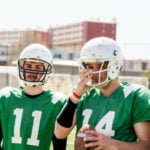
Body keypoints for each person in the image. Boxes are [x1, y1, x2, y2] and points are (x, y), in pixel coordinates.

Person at [55, 37, 150, 150]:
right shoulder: (84, 96)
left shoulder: (136, 95)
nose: (94, 72)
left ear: (114, 66)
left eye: (100, 66)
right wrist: (75, 96)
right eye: (90, 66)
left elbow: (146, 144)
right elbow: (59, 133)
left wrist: (112, 145)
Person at [0, 43, 67, 150]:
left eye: (38, 67)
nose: (33, 71)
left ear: (47, 70)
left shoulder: (56, 102)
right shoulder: (6, 97)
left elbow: (59, 145)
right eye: (29, 66)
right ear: (21, 67)